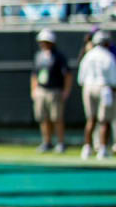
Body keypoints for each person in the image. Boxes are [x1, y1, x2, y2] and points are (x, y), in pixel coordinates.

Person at [31, 29, 72, 153]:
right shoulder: (39, 56)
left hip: (55, 90)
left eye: (46, 42)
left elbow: (67, 74)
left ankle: (60, 143)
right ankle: (47, 142)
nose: (43, 44)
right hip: (42, 90)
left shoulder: (59, 56)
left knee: (57, 118)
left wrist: (66, 90)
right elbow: (34, 75)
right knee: (43, 118)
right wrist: (34, 89)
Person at [78, 30, 116, 159]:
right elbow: (113, 79)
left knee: (91, 119)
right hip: (103, 87)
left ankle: (87, 148)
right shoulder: (108, 56)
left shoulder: (88, 55)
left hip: (88, 87)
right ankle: (102, 149)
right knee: (104, 121)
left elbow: (81, 78)